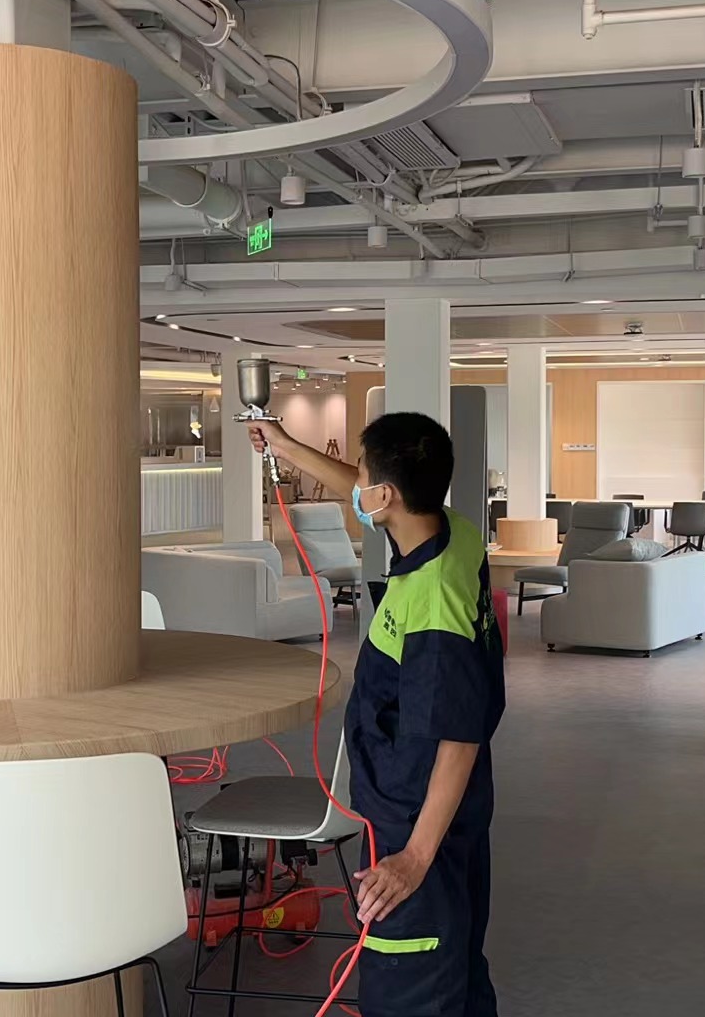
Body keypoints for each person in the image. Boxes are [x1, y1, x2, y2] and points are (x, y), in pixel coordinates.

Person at [250, 411, 505, 1017]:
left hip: (416, 816)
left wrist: (413, 859)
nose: (355, 483)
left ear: (386, 496)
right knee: (456, 967)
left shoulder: (433, 602)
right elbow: (362, 489)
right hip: (440, 808)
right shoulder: (453, 530)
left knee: (412, 985)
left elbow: (458, 738)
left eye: (364, 475)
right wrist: (286, 446)